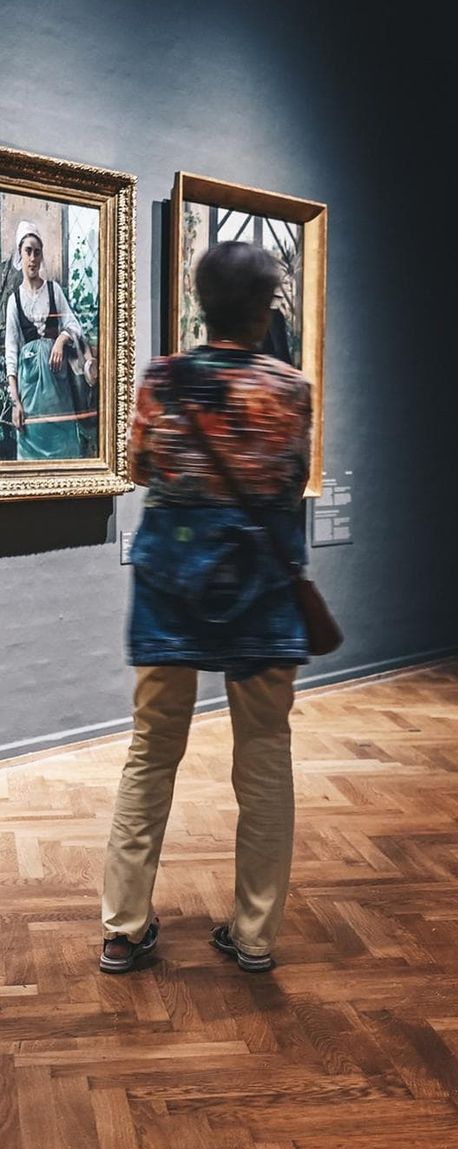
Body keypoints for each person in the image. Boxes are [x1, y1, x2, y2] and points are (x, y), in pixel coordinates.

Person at [100, 241, 314, 975]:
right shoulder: (290, 390)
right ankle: (253, 933)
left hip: (169, 586)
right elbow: (290, 485)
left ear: (199, 302)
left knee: (151, 748)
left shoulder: (162, 378)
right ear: (263, 309)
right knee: (263, 753)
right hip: (259, 589)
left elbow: (137, 469)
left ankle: (125, 926)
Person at [5, 221, 97, 459]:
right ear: (20, 254)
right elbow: (12, 352)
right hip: (30, 390)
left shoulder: (53, 290)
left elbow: (74, 325)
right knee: (31, 454)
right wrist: (16, 402)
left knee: (65, 449)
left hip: (58, 389)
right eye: (28, 251)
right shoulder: (14, 301)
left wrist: (61, 340)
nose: (33, 258)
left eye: (37, 252)